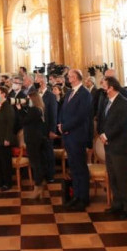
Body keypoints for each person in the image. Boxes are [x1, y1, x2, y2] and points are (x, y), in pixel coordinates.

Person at [99, 76, 127, 219]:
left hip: (120, 145)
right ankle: (117, 203)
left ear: (111, 87)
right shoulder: (108, 101)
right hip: (109, 146)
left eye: (104, 85)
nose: (103, 87)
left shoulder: (123, 103)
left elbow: (121, 124)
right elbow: (103, 120)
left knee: (123, 177)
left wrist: (107, 136)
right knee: (113, 176)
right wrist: (102, 133)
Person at [58, 69, 93, 211]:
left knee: (81, 168)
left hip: (78, 135)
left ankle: (83, 198)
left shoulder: (84, 94)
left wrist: (66, 126)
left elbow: (81, 116)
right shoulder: (69, 92)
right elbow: (63, 111)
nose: (68, 78)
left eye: (71, 76)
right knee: (73, 168)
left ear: (77, 78)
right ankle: (76, 196)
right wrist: (60, 125)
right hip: (68, 135)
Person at [23, 86, 49, 200]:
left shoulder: (34, 110)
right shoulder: (40, 108)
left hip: (33, 139)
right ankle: (40, 185)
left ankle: (37, 187)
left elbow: (24, 121)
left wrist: (19, 109)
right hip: (38, 138)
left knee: (35, 164)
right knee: (38, 162)